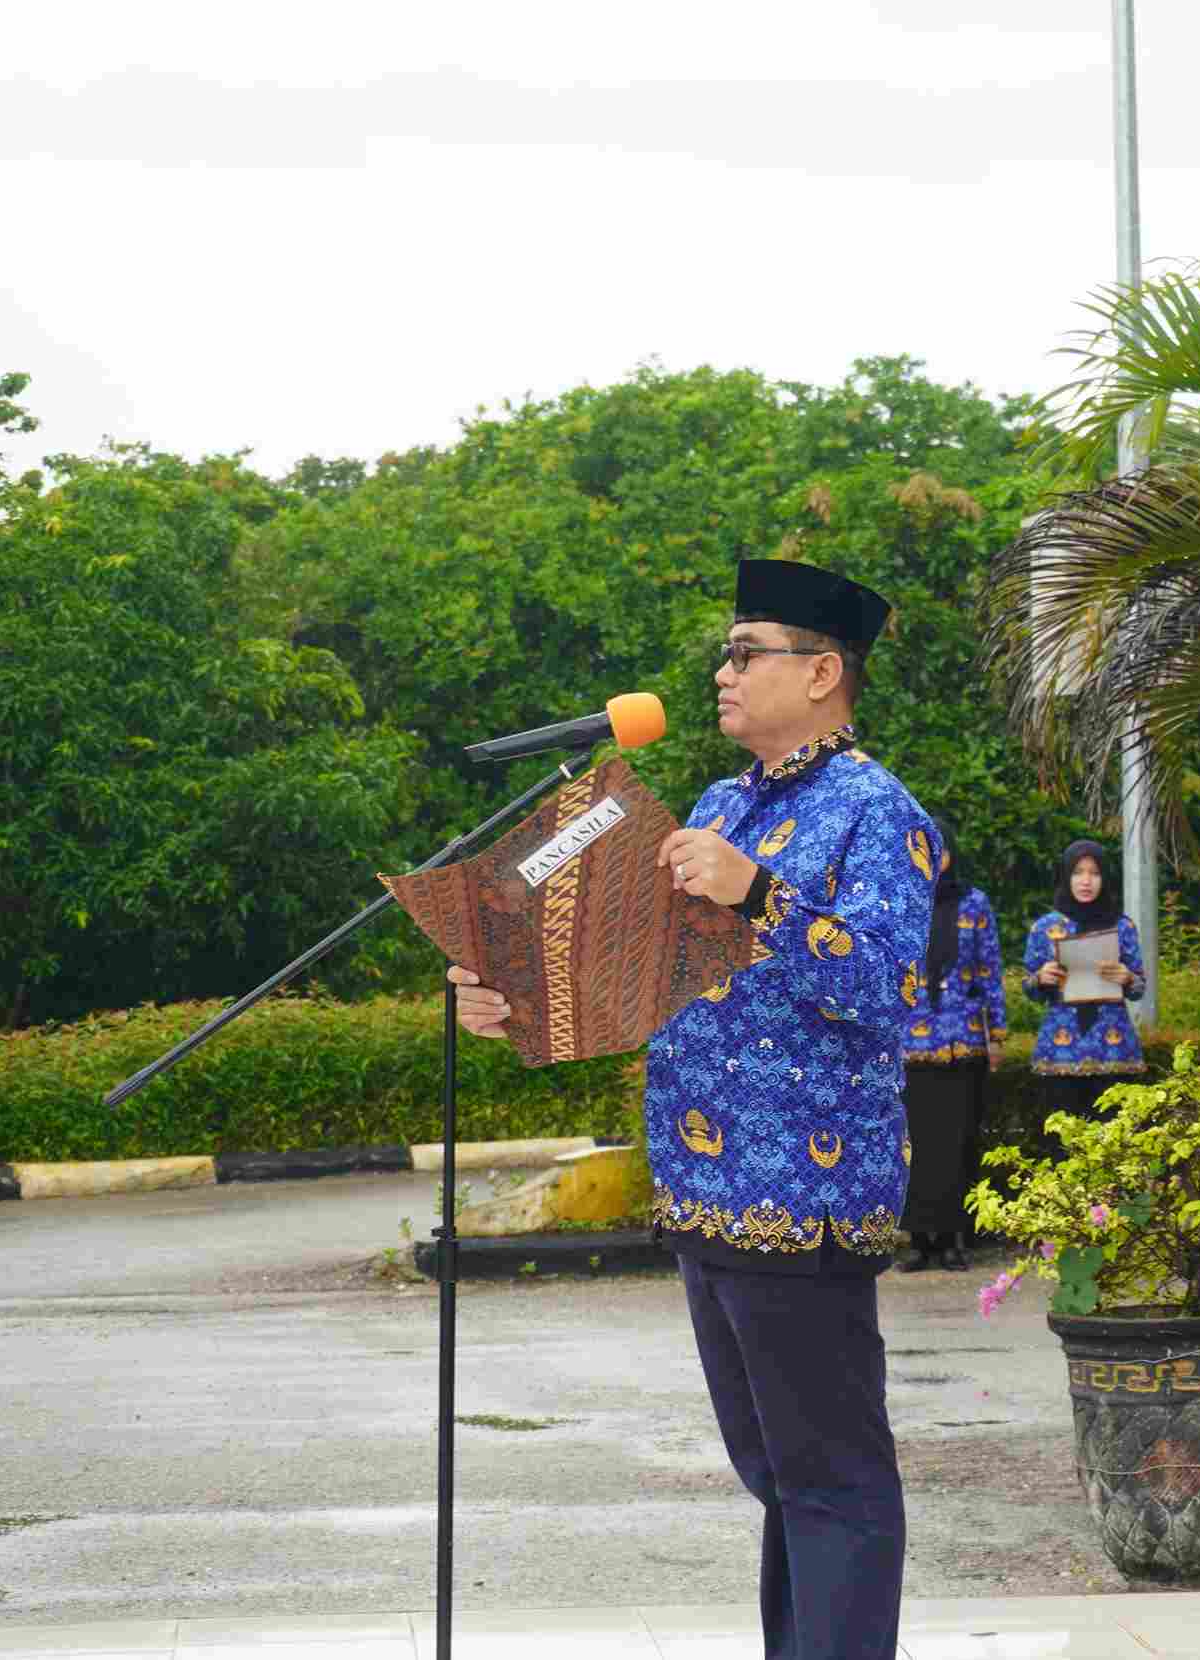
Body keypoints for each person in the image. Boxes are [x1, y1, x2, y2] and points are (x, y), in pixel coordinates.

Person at [453, 558, 938, 1660]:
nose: (722, 672)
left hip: (805, 1187)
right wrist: (512, 1002)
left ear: (822, 673)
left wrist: (759, 889)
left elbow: (885, 988)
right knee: (778, 1474)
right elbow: (635, 971)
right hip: (702, 1183)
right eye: (726, 651)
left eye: (744, 651)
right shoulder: (720, 804)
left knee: (835, 1478)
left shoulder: (877, 809)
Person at [898, 830, 1004, 1272]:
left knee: (957, 1143)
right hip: (911, 1047)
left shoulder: (974, 905)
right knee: (915, 1146)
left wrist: (996, 1035)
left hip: (962, 1043)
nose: (937, 855)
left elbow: (990, 973)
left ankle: (957, 1240)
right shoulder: (901, 899)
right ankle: (921, 1242)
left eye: (943, 846)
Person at [1020, 839, 1147, 1128]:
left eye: (1095, 873)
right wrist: (1041, 978)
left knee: (1115, 1141)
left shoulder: (1122, 925)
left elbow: (1140, 988)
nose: (1086, 881)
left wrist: (1126, 977)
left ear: (1105, 878)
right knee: (1063, 1143)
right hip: (1061, 1049)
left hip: (1113, 1049)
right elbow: (1027, 987)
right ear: (1066, 877)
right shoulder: (1045, 928)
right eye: (1078, 872)